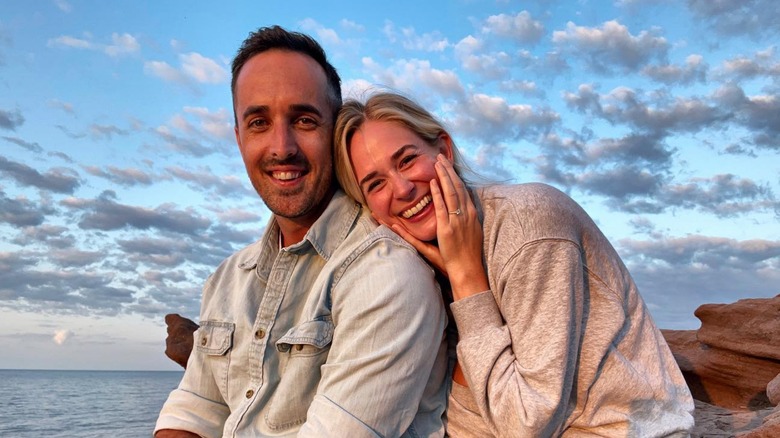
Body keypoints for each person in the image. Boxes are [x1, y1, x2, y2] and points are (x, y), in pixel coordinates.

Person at [332, 91, 696, 437]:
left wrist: (466, 277)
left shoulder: (530, 227)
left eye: (407, 160)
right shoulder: (415, 264)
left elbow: (525, 424)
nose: (402, 189)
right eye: (375, 184)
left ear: (443, 148)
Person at [154, 28, 450, 437]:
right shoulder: (228, 278)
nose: (282, 147)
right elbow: (194, 410)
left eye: (304, 120)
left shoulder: (387, 273)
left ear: (335, 131)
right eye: (259, 122)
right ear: (239, 137)